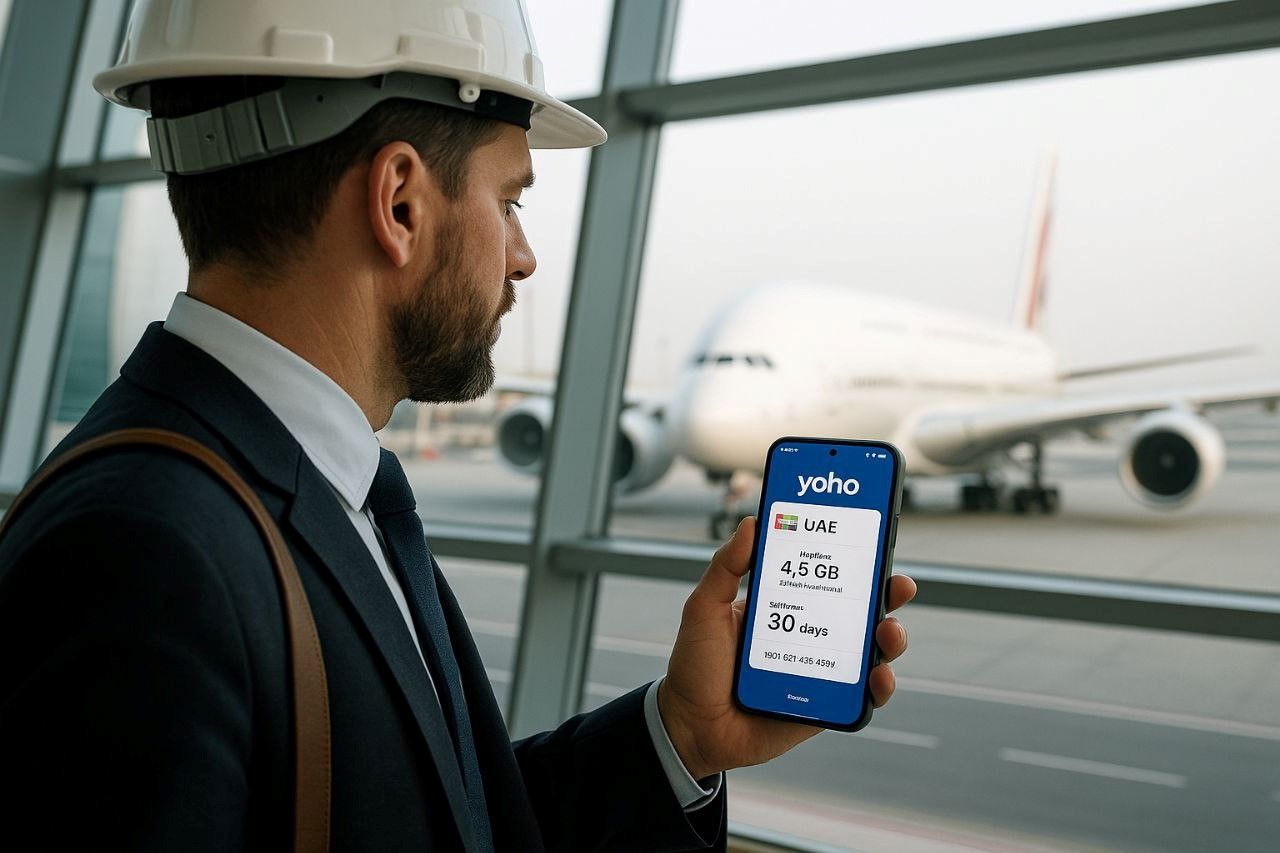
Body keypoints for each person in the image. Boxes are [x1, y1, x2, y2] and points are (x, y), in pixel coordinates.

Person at [0, 1, 914, 850]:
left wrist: (679, 735)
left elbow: (441, 822)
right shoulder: (140, 552)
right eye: (509, 201)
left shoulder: (311, 487)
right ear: (401, 202)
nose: (524, 256)